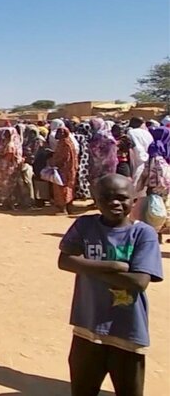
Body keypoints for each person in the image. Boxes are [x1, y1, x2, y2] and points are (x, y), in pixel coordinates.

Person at [57, 174, 163, 396]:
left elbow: (139, 282)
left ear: (134, 200)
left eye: (122, 198)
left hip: (127, 330)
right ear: (95, 200)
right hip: (87, 325)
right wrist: (115, 265)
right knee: (83, 389)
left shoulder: (143, 234)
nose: (115, 202)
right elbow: (64, 261)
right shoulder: (85, 225)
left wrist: (86, 266)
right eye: (106, 197)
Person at [49, 127, 79, 215]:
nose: (57, 134)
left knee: (62, 188)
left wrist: (56, 164)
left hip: (65, 169)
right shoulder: (66, 142)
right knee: (68, 187)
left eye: (60, 132)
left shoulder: (65, 143)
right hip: (68, 169)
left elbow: (65, 157)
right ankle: (69, 207)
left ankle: (63, 209)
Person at [0, 127, 23, 209]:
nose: (6, 134)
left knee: (6, 185)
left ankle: (7, 203)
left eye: (8, 133)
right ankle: (6, 202)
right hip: (6, 166)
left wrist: (1, 156)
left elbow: (9, 156)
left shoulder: (11, 144)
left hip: (7, 168)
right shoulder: (6, 142)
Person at [127, 118, 153, 199]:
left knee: (136, 175)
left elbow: (132, 144)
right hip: (147, 156)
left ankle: (133, 196)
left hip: (136, 156)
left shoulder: (131, 132)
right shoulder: (147, 132)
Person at [88, 117, 118, 187]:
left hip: (101, 164)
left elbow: (95, 151)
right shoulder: (109, 136)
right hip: (109, 164)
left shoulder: (100, 137)